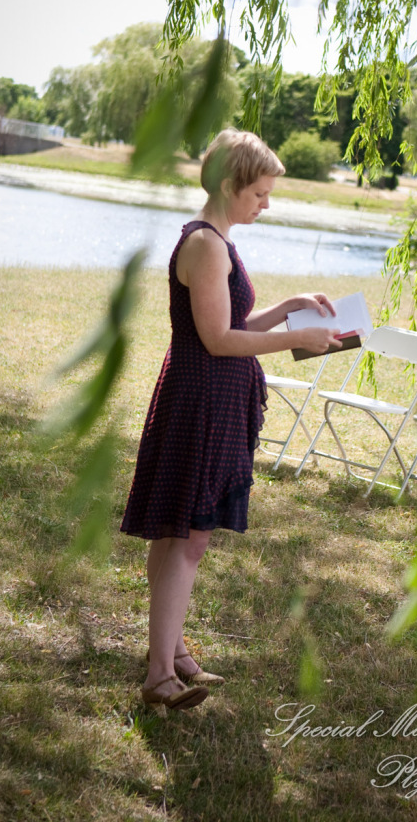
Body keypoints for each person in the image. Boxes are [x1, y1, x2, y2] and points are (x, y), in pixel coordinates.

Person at [120, 128, 342, 710]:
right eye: (260, 194)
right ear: (229, 184)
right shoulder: (207, 245)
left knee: (177, 533)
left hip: (207, 394)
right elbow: (218, 340)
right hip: (201, 398)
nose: (266, 204)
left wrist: (289, 308)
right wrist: (297, 338)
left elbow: (231, 323)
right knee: (188, 538)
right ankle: (159, 677)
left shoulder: (217, 239)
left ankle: (171, 654)